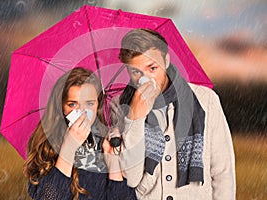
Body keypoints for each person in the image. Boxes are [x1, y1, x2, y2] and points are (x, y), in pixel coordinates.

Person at [116, 29, 236, 199]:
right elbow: (132, 178)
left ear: (166, 61)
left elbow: (223, 171)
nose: (146, 78)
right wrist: (134, 118)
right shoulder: (122, 106)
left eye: (152, 68)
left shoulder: (205, 99)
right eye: (136, 72)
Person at [23, 67, 136, 200]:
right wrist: (69, 147)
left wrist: (114, 165)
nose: (82, 112)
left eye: (89, 103)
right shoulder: (47, 147)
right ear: (61, 108)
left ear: (97, 105)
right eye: (72, 105)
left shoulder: (105, 145)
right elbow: (48, 198)